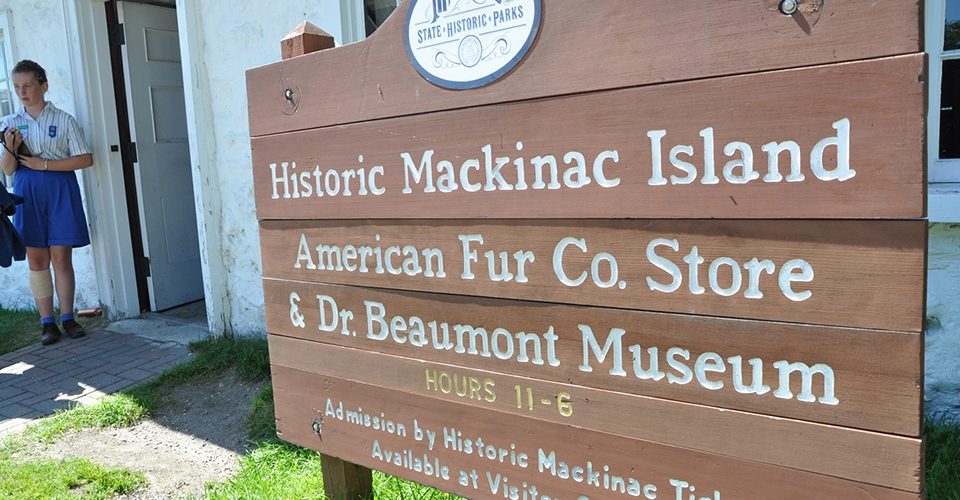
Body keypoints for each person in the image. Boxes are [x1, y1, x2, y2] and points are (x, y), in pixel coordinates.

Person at [0, 59, 93, 346]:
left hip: (59, 187)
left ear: (44, 84)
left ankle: (68, 318)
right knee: (36, 258)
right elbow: (7, 170)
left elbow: (85, 159)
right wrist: (11, 149)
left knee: (61, 256)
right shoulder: (10, 124)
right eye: (17, 87)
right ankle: (47, 323)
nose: (22, 92)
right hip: (27, 191)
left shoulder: (64, 119)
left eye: (27, 85)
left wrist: (45, 165)